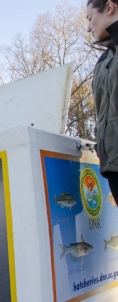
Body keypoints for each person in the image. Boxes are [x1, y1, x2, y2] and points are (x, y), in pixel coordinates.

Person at [87, 0, 118, 203]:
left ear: (109, 7)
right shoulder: (103, 61)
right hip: (113, 166)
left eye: (90, 18)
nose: (88, 27)